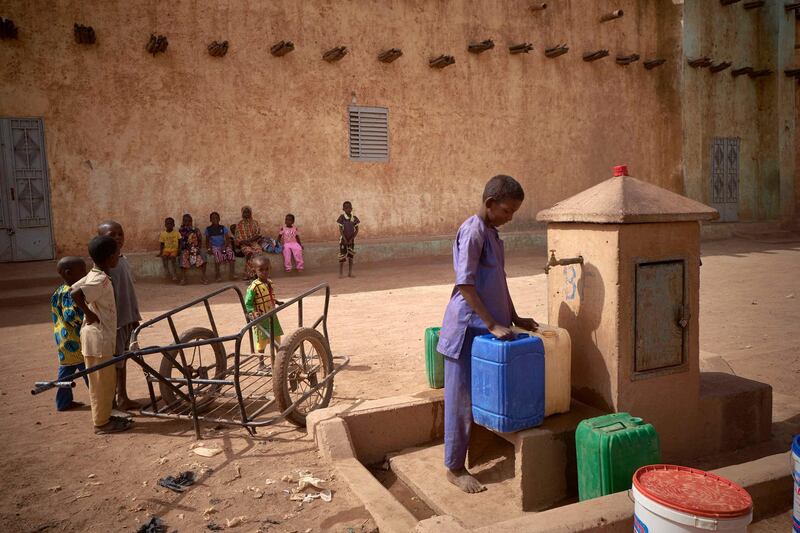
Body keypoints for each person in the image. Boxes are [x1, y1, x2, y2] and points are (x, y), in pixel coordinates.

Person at [436, 175, 538, 494]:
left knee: (480, 395)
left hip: (485, 330)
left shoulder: (492, 234)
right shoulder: (473, 232)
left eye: (514, 213)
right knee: (460, 400)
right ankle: (454, 467)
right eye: (507, 211)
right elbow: (465, 284)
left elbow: (499, 282)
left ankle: (472, 453)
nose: (510, 218)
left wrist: (514, 316)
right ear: (490, 204)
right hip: (468, 329)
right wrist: (493, 324)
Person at [71, 235, 133, 434]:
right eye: (116, 253)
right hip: (98, 338)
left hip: (98, 337)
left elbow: (74, 287)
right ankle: (101, 424)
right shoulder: (99, 279)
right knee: (101, 384)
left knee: (105, 382)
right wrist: (89, 314)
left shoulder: (96, 274)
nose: (118, 256)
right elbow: (75, 294)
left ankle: (106, 416)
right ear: (108, 257)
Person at [98, 220, 143, 412]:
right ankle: (113, 402)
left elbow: (128, 292)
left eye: (120, 234)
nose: (117, 238)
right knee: (115, 363)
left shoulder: (121, 260)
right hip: (114, 324)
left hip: (127, 320)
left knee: (122, 361)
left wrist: (134, 317)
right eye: (111, 235)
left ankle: (122, 396)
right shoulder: (104, 266)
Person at [50, 256, 88, 411]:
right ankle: (102, 400)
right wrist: (88, 314)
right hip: (75, 341)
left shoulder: (58, 291)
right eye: (82, 271)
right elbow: (70, 316)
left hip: (63, 339)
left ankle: (63, 402)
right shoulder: (70, 293)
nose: (85, 274)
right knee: (89, 372)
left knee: (66, 373)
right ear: (69, 273)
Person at [244, 256, 283, 372]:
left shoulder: (269, 283)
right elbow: (248, 303)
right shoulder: (253, 287)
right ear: (254, 271)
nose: (264, 272)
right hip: (261, 317)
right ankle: (261, 364)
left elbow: (270, 296)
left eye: (266, 269)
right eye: (261, 270)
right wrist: (253, 312)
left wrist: (276, 302)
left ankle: (278, 360)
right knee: (261, 341)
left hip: (272, 315)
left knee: (276, 337)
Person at [235, 206, 266, 280]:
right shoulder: (239, 224)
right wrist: (245, 242)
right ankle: (252, 274)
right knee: (249, 253)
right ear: (242, 213)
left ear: (250, 213)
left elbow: (258, 234)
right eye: (245, 212)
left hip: (254, 243)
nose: (246, 214)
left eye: (248, 212)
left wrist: (250, 240)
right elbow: (237, 238)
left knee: (259, 252)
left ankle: (251, 274)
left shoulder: (255, 223)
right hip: (244, 244)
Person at [205, 211, 236, 282]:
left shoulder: (223, 228)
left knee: (231, 253)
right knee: (217, 254)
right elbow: (207, 241)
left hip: (223, 245)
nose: (215, 219)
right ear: (210, 220)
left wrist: (225, 246)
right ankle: (217, 274)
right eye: (213, 218)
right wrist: (209, 248)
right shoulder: (208, 229)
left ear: (219, 219)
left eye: (216, 218)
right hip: (214, 246)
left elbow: (227, 239)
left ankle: (232, 274)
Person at [178, 213, 208, 285]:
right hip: (186, 249)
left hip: (196, 248)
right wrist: (188, 249)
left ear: (191, 221)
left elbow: (200, 241)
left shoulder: (196, 230)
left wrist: (198, 249)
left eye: (189, 221)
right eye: (185, 221)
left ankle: (203, 277)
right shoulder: (181, 231)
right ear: (183, 222)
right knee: (182, 256)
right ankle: (183, 278)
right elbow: (181, 242)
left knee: (203, 254)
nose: (187, 223)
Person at [337, 201, 360, 278]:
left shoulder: (354, 218)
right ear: (343, 209)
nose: (348, 209)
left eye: (349, 207)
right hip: (343, 241)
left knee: (350, 256)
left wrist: (351, 239)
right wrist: (344, 239)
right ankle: (341, 273)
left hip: (351, 241)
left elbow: (357, 230)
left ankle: (350, 272)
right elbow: (340, 230)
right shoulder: (341, 218)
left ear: (351, 208)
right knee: (342, 257)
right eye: (346, 208)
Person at [157, 217, 179, 282]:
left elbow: (180, 241)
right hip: (166, 250)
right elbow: (162, 244)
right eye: (167, 224)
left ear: (173, 225)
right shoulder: (163, 234)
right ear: (165, 225)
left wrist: (179, 250)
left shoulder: (176, 233)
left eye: (171, 224)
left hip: (174, 250)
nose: (169, 225)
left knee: (173, 258)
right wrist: (161, 252)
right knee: (164, 257)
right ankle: (167, 271)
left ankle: (174, 273)